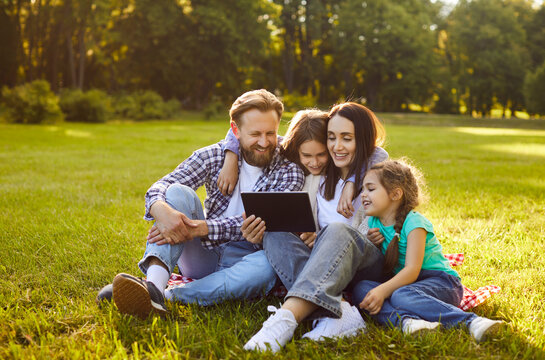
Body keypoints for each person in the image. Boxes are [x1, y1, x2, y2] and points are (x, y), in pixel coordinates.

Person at [102, 89, 305, 319]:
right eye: (255, 133)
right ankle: (155, 285)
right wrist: (160, 210)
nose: (264, 142)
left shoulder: (288, 167)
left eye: (271, 133)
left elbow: (260, 220)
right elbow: (161, 186)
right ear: (235, 130)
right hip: (204, 254)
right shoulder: (215, 156)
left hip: (247, 257)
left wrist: (201, 228)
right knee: (177, 193)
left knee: (267, 268)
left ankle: (163, 296)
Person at [243, 102, 389, 352]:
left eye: (347, 138)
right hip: (325, 263)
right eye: (331, 138)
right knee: (275, 231)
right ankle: (341, 312)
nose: (336, 146)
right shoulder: (319, 174)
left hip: (367, 260)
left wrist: (354, 182)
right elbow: (257, 137)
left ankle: (285, 320)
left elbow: (378, 154)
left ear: (362, 140)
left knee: (337, 231)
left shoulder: (377, 171)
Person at [352, 159, 504, 342]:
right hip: (405, 285)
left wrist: (383, 291)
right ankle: (409, 322)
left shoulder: (414, 223)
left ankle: (471, 322)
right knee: (362, 288)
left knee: (401, 295)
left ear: (395, 194)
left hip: (441, 283)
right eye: (363, 189)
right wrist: (371, 244)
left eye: (370, 189)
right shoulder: (374, 222)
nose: (363, 195)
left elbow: (412, 270)